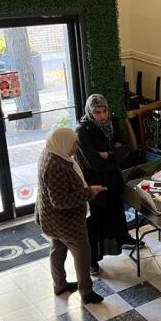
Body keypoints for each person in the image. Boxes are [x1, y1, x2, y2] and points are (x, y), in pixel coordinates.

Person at [35, 127, 106, 304]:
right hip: (65, 222)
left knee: (57, 249)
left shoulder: (50, 152)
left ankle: (60, 285)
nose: (76, 146)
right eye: (73, 143)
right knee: (82, 252)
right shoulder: (55, 166)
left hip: (50, 218)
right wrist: (89, 192)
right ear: (63, 143)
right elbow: (60, 201)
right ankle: (86, 292)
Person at [75, 94, 135, 274]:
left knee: (117, 210)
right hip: (94, 182)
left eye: (104, 111)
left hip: (113, 179)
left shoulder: (113, 122)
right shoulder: (83, 130)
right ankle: (93, 260)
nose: (102, 116)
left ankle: (123, 238)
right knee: (95, 221)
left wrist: (107, 154)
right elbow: (94, 162)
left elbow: (126, 149)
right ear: (90, 112)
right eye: (97, 112)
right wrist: (113, 152)